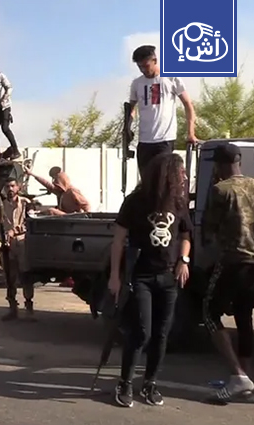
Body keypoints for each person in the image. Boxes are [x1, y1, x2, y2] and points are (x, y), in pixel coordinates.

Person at [108, 153, 192, 407]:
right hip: (141, 276)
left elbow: (186, 235)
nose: (184, 177)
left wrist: (184, 260)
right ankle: (125, 383)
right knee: (142, 331)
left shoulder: (178, 201)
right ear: (167, 174)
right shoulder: (136, 201)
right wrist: (115, 276)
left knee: (162, 333)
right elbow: (118, 241)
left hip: (168, 277)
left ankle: (150, 383)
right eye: (180, 172)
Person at [201, 143, 254, 403]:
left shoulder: (221, 190)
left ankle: (238, 375)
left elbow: (208, 232)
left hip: (232, 261)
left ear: (219, 165)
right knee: (245, 317)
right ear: (239, 162)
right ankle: (246, 375)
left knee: (209, 313)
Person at [129, 45, 198, 172]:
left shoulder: (171, 77)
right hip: (144, 141)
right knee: (146, 179)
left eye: (146, 66)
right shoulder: (137, 83)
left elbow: (188, 104)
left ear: (155, 61)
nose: (143, 70)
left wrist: (191, 133)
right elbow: (131, 108)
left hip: (164, 140)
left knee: (163, 178)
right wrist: (127, 128)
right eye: (140, 67)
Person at [0, 177, 36, 321]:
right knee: (10, 278)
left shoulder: (26, 203)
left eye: (13, 186)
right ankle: (12, 308)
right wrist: (3, 239)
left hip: (23, 244)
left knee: (26, 276)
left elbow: (30, 222)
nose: (10, 189)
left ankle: (29, 308)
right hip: (8, 246)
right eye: (7, 186)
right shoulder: (1, 206)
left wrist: (15, 230)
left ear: (18, 187)